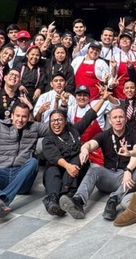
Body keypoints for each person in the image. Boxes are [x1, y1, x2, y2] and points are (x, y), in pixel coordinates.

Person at [59, 106, 136, 221]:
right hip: (108, 177)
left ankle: (113, 201)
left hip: (126, 179)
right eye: (115, 117)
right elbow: (89, 144)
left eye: (121, 117)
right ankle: (78, 201)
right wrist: (85, 149)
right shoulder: (104, 135)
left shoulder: (135, 134)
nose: (118, 120)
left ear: (126, 119)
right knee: (94, 169)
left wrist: (128, 170)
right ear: (110, 120)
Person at [40, 85, 110, 216]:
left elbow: (90, 116)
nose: (56, 123)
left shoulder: (74, 130)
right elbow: (54, 157)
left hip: (75, 169)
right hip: (60, 166)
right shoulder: (48, 139)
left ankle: (67, 195)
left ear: (65, 121)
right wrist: (68, 166)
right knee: (51, 170)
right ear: (49, 123)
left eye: (59, 120)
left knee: (79, 158)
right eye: (53, 121)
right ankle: (53, 200)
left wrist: (103, 99)